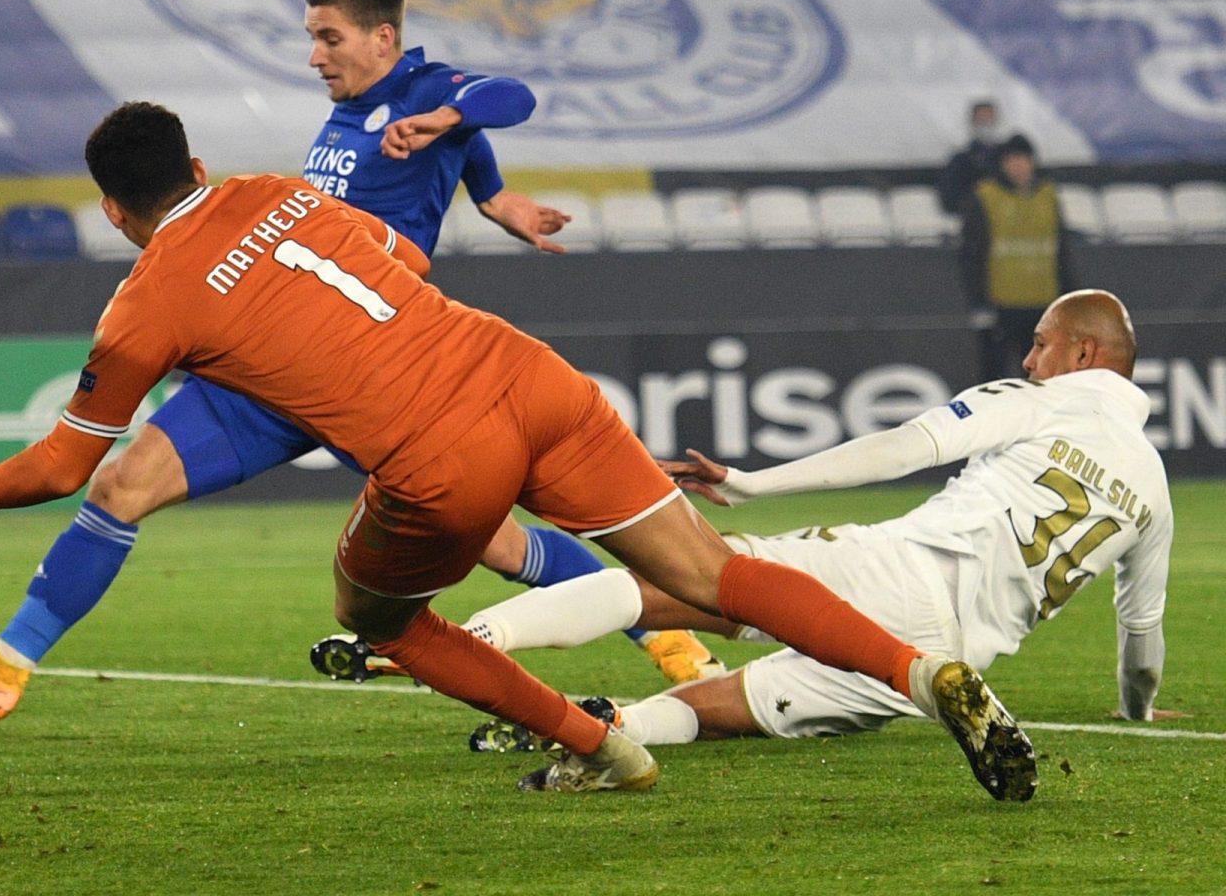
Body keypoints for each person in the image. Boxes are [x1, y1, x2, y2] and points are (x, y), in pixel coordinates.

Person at [0, 101, 1038, 800]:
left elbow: (63, 468)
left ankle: (603, 743)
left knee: (380, 618)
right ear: (198, 166)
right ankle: (918, 671)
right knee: (713, 571)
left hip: (437, 454)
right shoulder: (278, 190)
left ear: (113, 208)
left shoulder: (142, 300)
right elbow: (400, 262)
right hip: (526, 373)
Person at [0, 0, 718, 724]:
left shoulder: (429, 94)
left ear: (383, 37)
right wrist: (493, 198)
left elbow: (509, 97)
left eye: (329, 37)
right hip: (267, 362)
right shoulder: (346, 115)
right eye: (312, 37)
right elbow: (461, 157)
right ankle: (8, 659)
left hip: (368, 361)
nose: (314, 55)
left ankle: (673, 644)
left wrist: (450, 124)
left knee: (498, 544)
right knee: (119, 487)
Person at [459, 290, 1174, 755]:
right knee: (724, 711)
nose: (1028, 357)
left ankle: (471, 642)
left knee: (669, 581)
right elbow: (1141, 635)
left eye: (1042, 342)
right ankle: (614, 728)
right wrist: (1135, 712)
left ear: (1083, 354)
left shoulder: (1042, 400)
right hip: (952, 654)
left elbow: (900, 450)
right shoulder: (1154, 490)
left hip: (901, 568)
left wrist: (751, 482)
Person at [960, 133, 1076, 383]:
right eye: (1012, 160)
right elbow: (971, 253)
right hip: (1002, 304)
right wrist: (979, 302)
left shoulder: (1048, 194)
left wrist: (1069, 298)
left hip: (1043, 303)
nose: (1019, 166)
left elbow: (1061, 250)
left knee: (1042, 378)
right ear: (1002, 164)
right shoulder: (986, 196)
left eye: (1024, 159)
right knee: (995, 379)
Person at [935, 99, 1003, 215]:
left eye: (989, 119)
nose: (986, 124)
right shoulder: (960, 161)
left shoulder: (1008, 158)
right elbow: (949, 199)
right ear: (973, 123)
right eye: (981, 120)